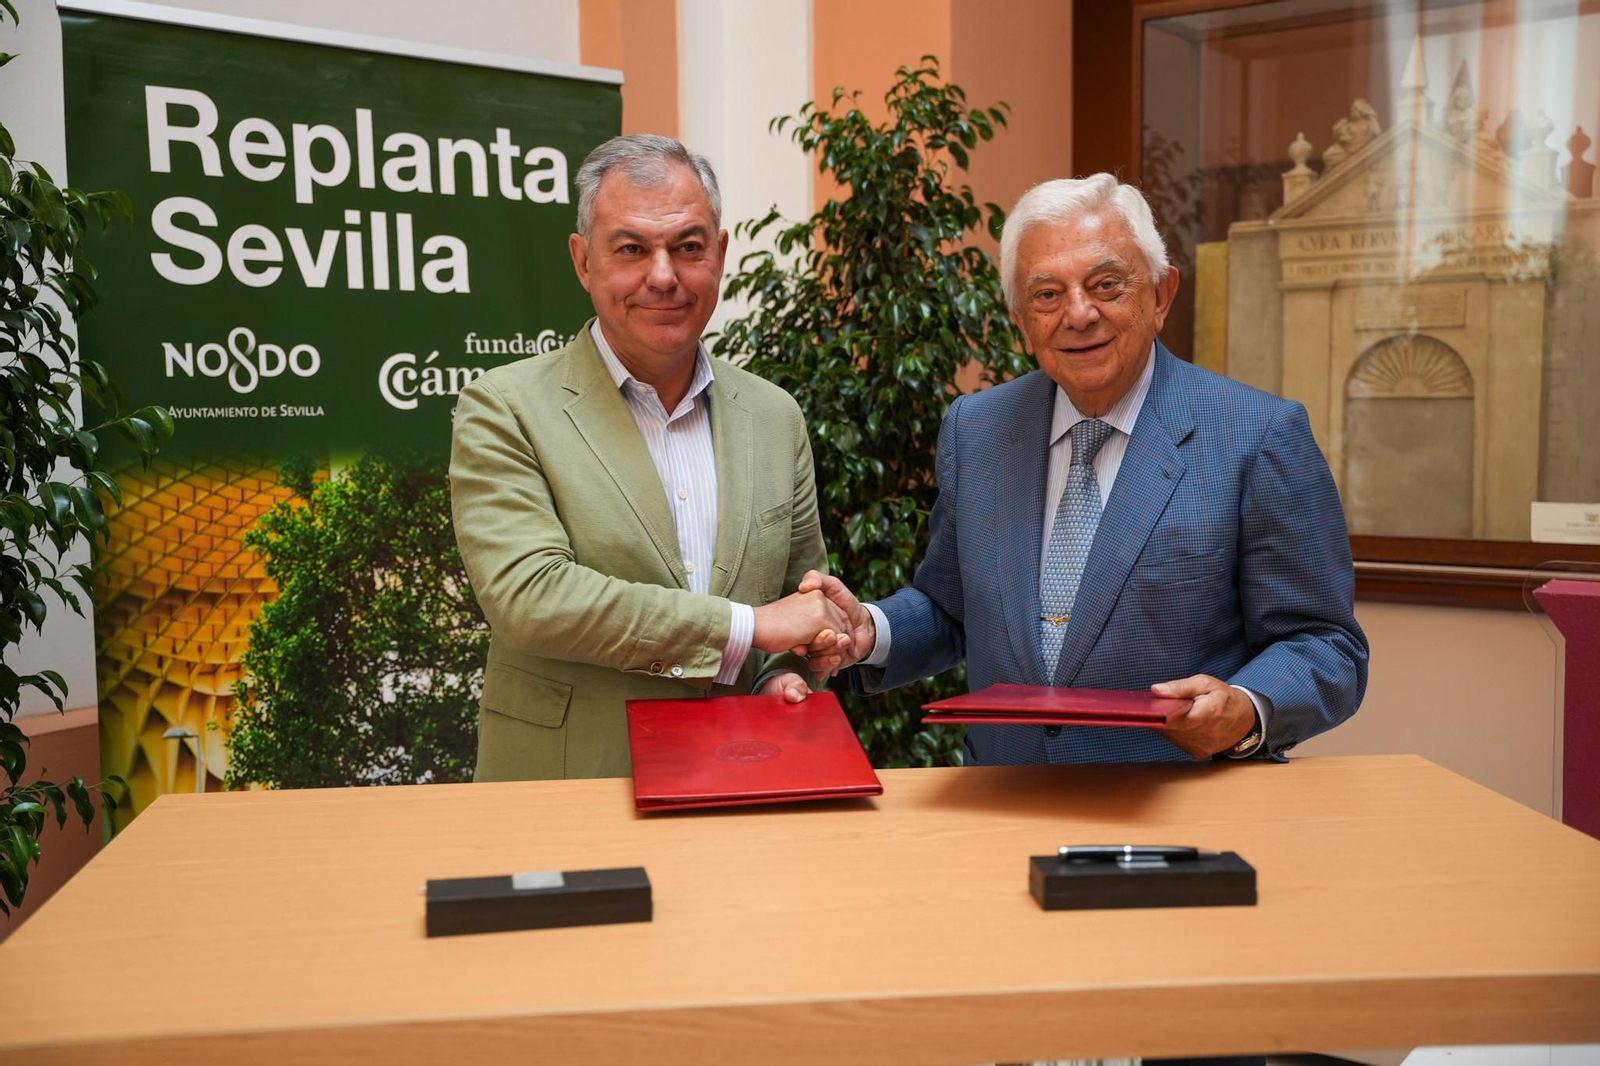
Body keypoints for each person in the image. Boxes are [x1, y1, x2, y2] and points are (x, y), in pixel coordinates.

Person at [806, 173, 1368, 765]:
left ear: (1162, 295)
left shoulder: (1257, 435)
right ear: (1020, 319)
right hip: (1003, 805)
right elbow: (951, 608)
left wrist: (1249, 708)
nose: (1078, 313)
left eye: (1106, 285)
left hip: (1178, 816)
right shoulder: (976, 430)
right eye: (1047, 294)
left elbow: (1326, 644)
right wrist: (871, 630)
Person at [451, 134, 846, 781]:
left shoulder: (776, 416)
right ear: (583, 261)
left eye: (688, 248)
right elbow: (531, 598)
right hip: (571, 785)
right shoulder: (503, 407)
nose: (663, 276)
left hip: (740, 780)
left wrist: (787, 672)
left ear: (719, 255)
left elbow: (797, 604)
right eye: (632, 249)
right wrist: (748, 628)